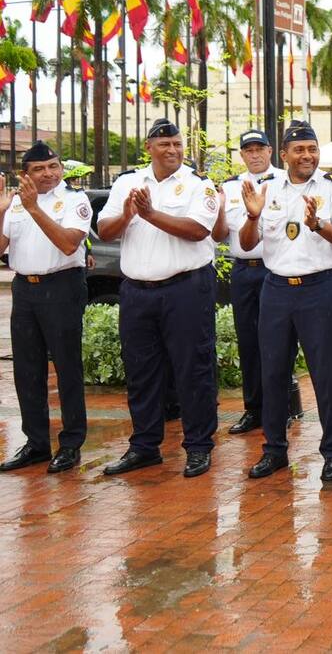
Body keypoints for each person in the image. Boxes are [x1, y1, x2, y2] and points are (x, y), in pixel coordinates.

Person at [97, 118, 220, 478]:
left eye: (177, 144)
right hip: (138, 292)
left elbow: (199, 231)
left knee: (193, 370)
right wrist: (129, 213)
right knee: (140, 371)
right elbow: (104, 230)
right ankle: (144, 446)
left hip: (185, 289)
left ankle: (198, 447)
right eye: (164, 144)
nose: (172, 151)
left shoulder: (200, 185)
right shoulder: (127, 183)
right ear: (148, 147)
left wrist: (151, 214)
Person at [239, 120, 332, 483]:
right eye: (300, 149)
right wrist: (253, 215)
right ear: (285, 154)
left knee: (327, 375)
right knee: (272, 372)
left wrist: (318, 224)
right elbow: (246, 244)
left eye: (312, 149)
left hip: (319, 289)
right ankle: (274, 450)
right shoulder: (266, 190)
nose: (307, 155)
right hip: (275, 290)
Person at [0, 142, 90, 473]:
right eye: (39, 169)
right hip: (25, 289)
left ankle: (70, 444)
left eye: (53, 166)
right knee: (27, 369)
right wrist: (0, 210)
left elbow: (68, 243)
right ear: (26, 174)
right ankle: (36, 443)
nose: (48, 173)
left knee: (67, 368)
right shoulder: (16, 205)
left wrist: (35, 208)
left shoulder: (74, 200)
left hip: (62, 287)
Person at [212, 129, 296, 435]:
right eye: (249, 150)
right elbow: (221, 234)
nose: (255, 154)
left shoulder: (285, 182)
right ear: (242, 154)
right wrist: (220, 207)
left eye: (260, 148)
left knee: (279, 343)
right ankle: (254, 409)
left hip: (275, 269)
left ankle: (283, 407)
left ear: (271, 150)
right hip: (244, 271)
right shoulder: (231, 187)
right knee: (248, 341)